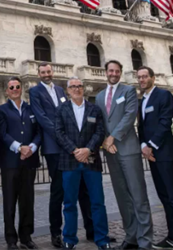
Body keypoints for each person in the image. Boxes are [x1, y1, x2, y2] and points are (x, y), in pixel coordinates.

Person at [30, 62, 94, 248]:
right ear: (39, 74)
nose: (46, 74)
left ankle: (91, 229)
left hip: (72, 146)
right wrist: (61, 136)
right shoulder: (34, 92)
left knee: (83, 188)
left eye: (48, 71)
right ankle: (56, 233)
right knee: (58, 190)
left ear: (52, 72)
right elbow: (41, 118)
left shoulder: (60, 90)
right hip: (54, 148)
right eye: (43, 72)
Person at [96, 60, 153, 250]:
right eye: (111, 71)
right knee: (122, 197)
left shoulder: (128, 91)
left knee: (138, 196)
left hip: (128, 149)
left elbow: (129, 116)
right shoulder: (99, 96)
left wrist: (112, 137)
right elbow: (100, 122)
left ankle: (145, 241)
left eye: (117, 71)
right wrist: (105, 141)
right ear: (106, 72)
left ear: (120, 73)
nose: (113, 74)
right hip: (111, 152)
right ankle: (131, 237)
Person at [136, 66, 173, 250]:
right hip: (151, 155)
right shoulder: (142, 100)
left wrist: (151, 145)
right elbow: (141, 127)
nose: (142, 80)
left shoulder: (163, 95)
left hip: (164, 153)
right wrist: (143, 145)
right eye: (139, 77)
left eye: (145, 76)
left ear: (153, 77)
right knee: (164, 197)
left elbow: (165, 122)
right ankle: (172, 237)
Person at [55, 77, 110, 250]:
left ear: (83, 88)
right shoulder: (61, 109)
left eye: (79, 86)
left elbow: (100, 132)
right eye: (73, 86)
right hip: (69, 161)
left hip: (91, 161)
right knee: (69, 203)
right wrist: (75, 150)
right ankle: (69, 239)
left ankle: (102, 240)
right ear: (68, 90)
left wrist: (88, 149)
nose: (76, 89)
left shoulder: (94, 109)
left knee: (97, 202)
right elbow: (59, 133)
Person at [0, 77, 41, 250]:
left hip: (29, 160)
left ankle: (26, 237)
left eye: (17, 86)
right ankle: (11, 240)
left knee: (27, 201)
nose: (15, 89)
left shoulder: (32, 109)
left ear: (21, 89)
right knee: (9, 202)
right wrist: (19, 147)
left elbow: (39, 131)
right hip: (10, 162)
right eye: (11, 87)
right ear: (6, 91)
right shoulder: (1, 110)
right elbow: (2, 133)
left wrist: (32, 147)